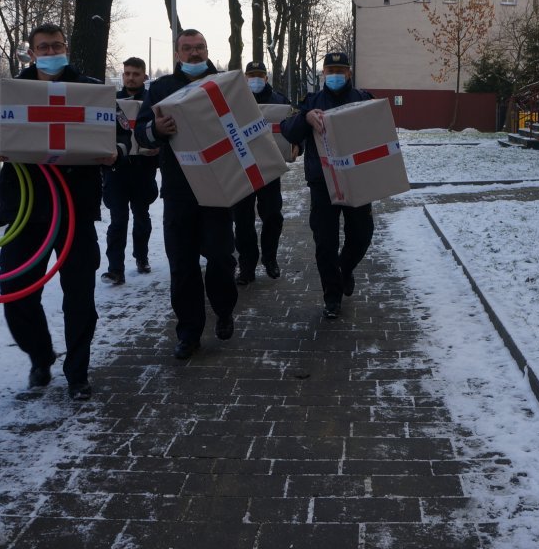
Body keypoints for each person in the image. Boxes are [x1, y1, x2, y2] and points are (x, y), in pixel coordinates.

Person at [0, 22, 127, 401]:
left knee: (79, 296)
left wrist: (116, 153)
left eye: (56, 45)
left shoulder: (90, 90)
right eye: (43, 47)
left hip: (76, 207)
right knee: (15, 291)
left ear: (66, 48)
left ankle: (78, 373)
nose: (50, 52)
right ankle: (40, 357)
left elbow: (122, 135)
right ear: (31, 53)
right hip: (26, 210)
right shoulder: (13, 91)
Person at [134, 29, 238, 359]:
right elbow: (141, 132)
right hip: (179, 190)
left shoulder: (224, 85)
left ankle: (223, 310)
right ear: (177, 54)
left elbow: (247, 127)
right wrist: (156, 130)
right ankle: (189, 332)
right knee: (182, 264)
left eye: (200, 47)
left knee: (221, 258)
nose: (195, 53)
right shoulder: (161, 90)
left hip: (218, 187)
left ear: (208, 50)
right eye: (188, 48)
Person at [279, 52, 374, 320]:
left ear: (349, 73)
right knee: (325, 242)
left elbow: (378, 129)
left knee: (362, 234)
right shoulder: (311, 102)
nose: (335, 74)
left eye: (340, 70)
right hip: (322, 183)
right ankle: (332, 296)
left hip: (357, 180)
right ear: (323, 73)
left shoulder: (363, 99)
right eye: (330, 69)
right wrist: (306, 118)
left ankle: (344, 270)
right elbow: (287, 129)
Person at [101, 57, 160, 285]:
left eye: (136, 73)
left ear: (144, 76)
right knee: (118, 220)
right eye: (127, 73)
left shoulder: (152, 102)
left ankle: (141, 257)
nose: (131, 77)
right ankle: (115, 269)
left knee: (142, 217)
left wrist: (157, 149)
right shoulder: (111, 102)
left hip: (143, 168)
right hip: (116, 169)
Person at [233, 60, 291, 285]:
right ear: (245, 78)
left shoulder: (279, 101)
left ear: (266, 78)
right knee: (243, 220)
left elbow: (290, 130)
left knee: (273, 215)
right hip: (241, 169)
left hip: (269, 169)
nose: (255, 80)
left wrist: (296, 147)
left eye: (259, 75)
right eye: (251, 75)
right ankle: (247, 266)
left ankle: (270, 257)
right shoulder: (234, 101)